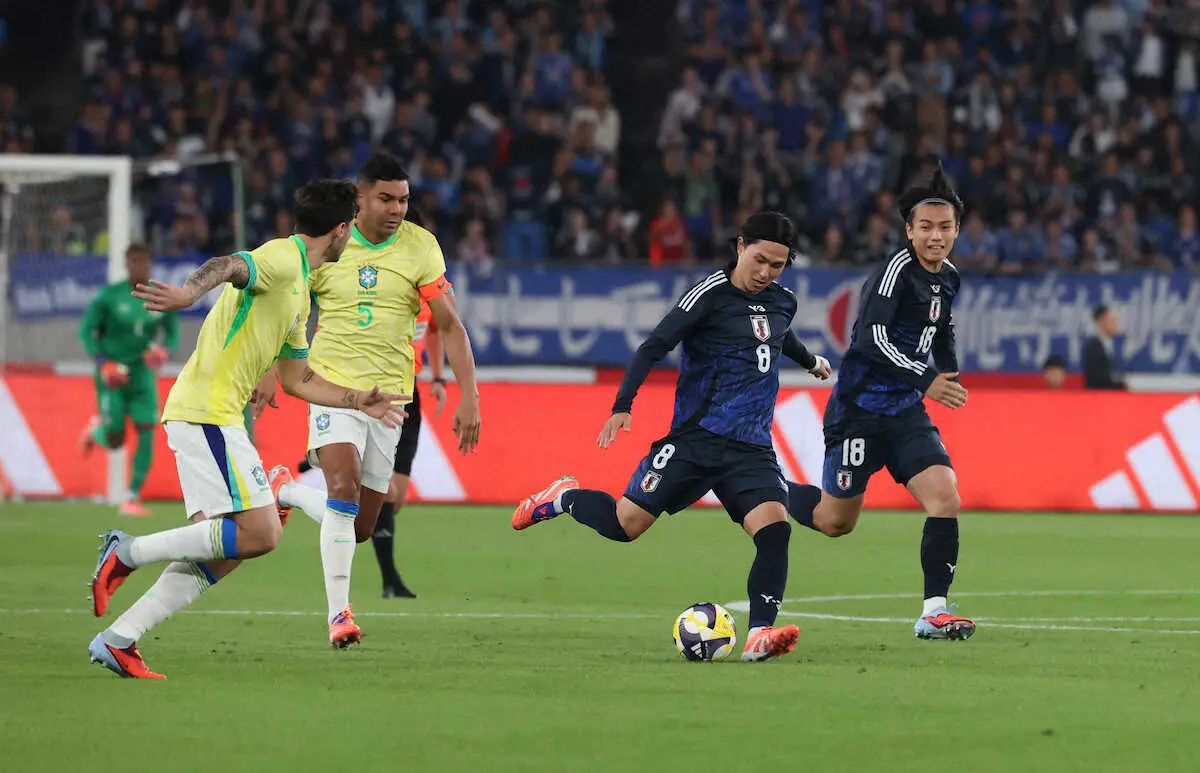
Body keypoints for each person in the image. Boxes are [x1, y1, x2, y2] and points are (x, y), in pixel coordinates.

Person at [87, 179, 408, 679]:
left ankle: (119, 639)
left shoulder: (300, 288)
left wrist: (355, 400)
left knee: (226, 548)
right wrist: (189, 293)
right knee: (261, 532)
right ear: (342, 229)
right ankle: (127, 550)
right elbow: (230, 265)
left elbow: (297, 378)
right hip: (207, 412)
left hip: (216, 414)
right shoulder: (282, 258)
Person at [512, 211, 831, 662]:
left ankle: (760, 633)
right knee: (625, 526)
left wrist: (810, 360)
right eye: (759, 260)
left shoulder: (783, 301)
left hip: (750, 448)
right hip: (695, 440)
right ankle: (563, 498)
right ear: (741, 246)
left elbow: (778, 337)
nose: (765, 273)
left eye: (777, 266)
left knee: (775, 529)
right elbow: (653, 346)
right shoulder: (707, 296)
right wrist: (623, 405)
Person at [270, 154, 482, 648]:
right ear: (360, 198)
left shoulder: (421, 246)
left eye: (404, 199)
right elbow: (286, 310)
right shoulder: (331, 243)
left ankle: (288, 491)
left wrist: (468, 394)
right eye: (386, 199)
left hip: (390, 400)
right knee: (342, 487)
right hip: (332, 389)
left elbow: (449, 324)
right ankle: (339, 615)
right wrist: (267, 372)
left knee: (362, 525)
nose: (397, 209)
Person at [786, 165, 976, 641]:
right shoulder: (894, 273)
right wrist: (927, 378)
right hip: (859, 412)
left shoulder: (949, 278)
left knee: (945, 497)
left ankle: (934, 612)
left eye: (945, 227)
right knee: (834, 522)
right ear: (909, 230)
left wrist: (949, 371)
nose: (936, 236)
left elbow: (943, 326)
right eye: (926, 227)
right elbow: (871, 340)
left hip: (905, 412)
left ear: (957, 230)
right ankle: (767, 486)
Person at [78, 243, 179, 516]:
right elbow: (86, 331)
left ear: (150, 264)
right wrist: (102, 362)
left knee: (147, 430)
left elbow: (172, 332)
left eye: (144, 262)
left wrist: (164, 351)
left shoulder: (158, 296)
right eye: (135, 262)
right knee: (115, 439)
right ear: (127, 264)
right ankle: (95, 431)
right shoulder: (109, 297)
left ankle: (132, 495)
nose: (140, 267)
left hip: (142, 374)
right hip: (113, 375)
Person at [371, 297, 447, 599]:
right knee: (384, 492)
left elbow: (437, 328)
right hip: (376, 390)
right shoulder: (386, 285)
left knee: (394, 499)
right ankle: (389, 580)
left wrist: (438, 376)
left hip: (409, 393)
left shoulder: (431, 289)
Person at [1083, 305, 1127, 390]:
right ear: (1101, 322)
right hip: (1097, 394)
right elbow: (1096, 377)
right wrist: (1120, 385)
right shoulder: (1092, 347)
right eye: (1112, 321)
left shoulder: (1114, 345)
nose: (1116, 325)